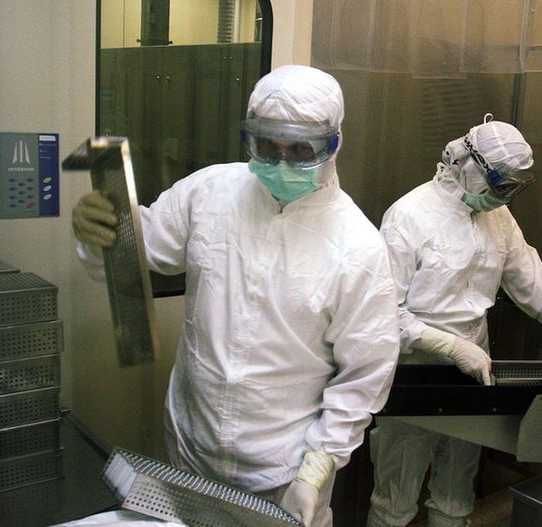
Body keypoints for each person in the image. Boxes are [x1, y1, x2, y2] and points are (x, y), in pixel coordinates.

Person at [72, 65, 400, 527]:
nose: (281, 163)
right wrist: (100, 231)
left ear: (332, 145)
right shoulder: (209, 192)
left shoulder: (358, 248)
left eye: (300, 150)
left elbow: (364, 376)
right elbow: (139, 247)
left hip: (283, 469)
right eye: (267, 145)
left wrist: (316, 469)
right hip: (191, 446)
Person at [366, 115, 542, 527]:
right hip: (415, 369)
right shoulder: (408, 216)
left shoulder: (498, 218)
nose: (507, 198)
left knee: (456, 497)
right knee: (394, 502)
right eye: (503, 186)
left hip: (477, 372)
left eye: (517, 189)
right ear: (471, 168)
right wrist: (451, 346)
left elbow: (535, 287)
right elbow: (382, 315)